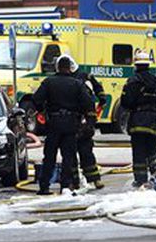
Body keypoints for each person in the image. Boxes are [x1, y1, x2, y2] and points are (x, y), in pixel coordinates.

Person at [33, 55, 95, 195]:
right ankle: (65, 186)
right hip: (71, 125)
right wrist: (85, 120)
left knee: (49, 156)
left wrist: (42, 110)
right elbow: (88, 103)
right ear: (69, 68)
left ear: (57, 67)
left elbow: (36, 99)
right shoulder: (77, 84)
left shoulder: (48, 82)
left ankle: (44, 186)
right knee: (69, 156)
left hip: (53, 124)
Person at [121, 51, 156, 188]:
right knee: (153, 149)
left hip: (138, 121)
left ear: (136, 65)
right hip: (155, 121)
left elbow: (126, 102)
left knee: (139, 151)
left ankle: (141, 180)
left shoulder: (132, 81)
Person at [72, 60, 107, 190]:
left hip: (77, 120)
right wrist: (102, 101)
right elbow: (99, 89)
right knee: (85, 151)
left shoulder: (74, 78)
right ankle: (93, 180)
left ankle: (75, 182)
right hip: (82, 119)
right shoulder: (84, 77)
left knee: (75, 152)